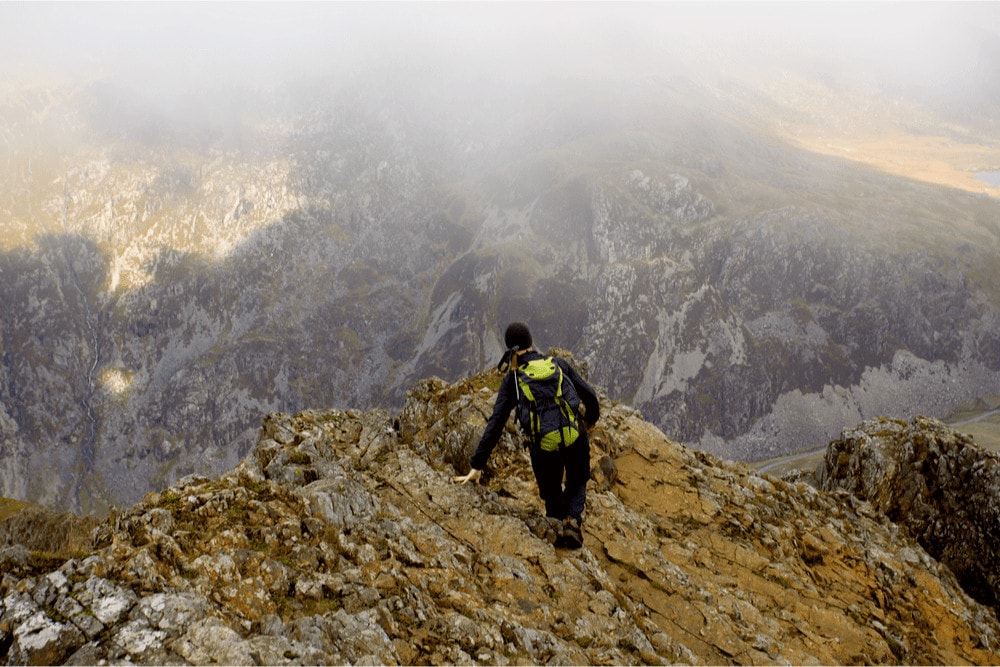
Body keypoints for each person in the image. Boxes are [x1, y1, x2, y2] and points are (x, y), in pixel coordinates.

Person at [453, 322, 600, 549]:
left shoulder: (513, 380)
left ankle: (557, 526)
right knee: (578, 479)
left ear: (510, 350)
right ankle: (573, 521)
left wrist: (477, 465)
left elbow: (496, 423)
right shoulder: (558, 364)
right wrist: (589, 421)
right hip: (575, 435)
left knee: (552, 492)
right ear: (531, 342)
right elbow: (590, 396)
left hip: (544, 446)